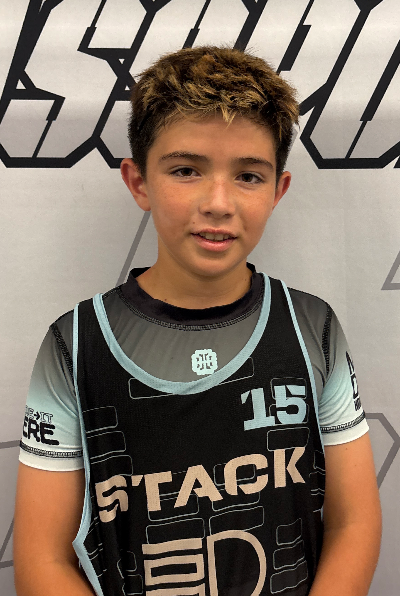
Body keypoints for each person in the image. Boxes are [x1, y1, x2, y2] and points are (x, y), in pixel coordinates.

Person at [14, 46, 381, 596]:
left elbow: (354, 523)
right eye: (186, 170)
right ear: (139, 182)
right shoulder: (77, 344)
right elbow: (41, 559)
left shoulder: (313, 327)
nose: (218, 203)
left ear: (278, 190)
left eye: (248, 176)